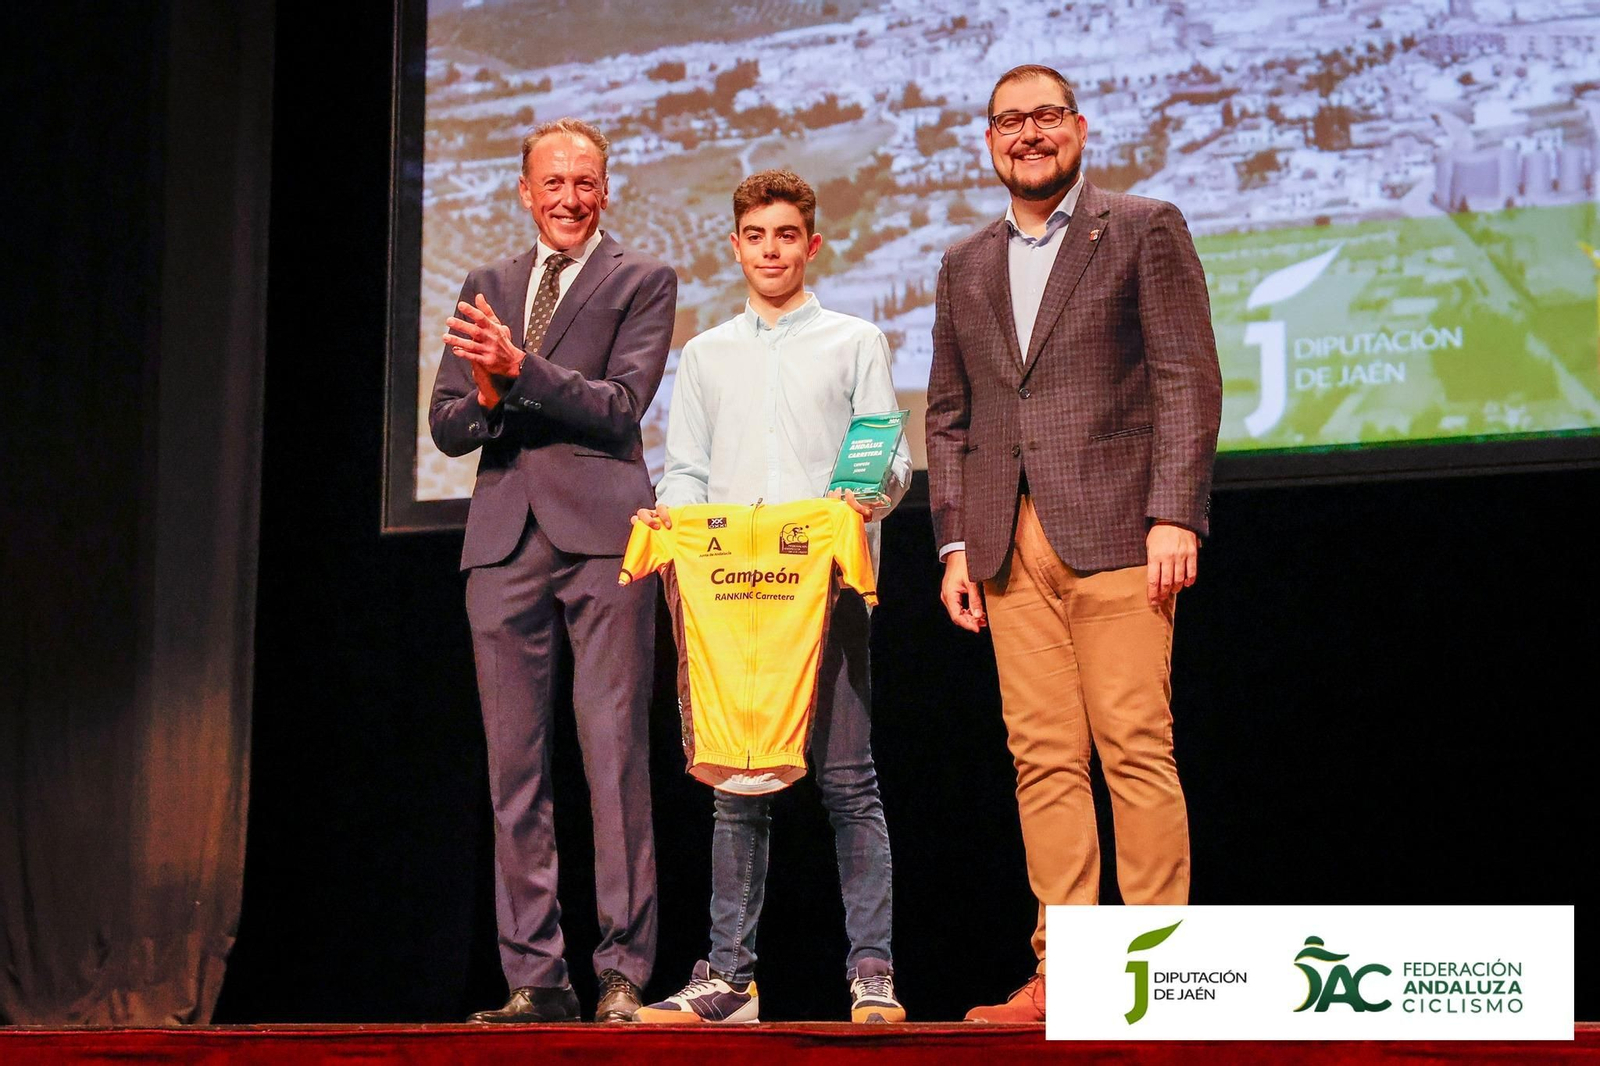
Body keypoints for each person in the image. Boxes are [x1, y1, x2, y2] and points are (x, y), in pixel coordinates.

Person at [924, 65, 1222, 1022]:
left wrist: (1177, 510)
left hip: (1123, 532)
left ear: (1079, 128)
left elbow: (1186, 377)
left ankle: (1158, 972)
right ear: (988, 142)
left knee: (1135, 746)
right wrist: (956, 544)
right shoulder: (964, 262)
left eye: (1045, 116)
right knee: (1042, 758)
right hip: (1008, 548)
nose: (1029, 134)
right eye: (1010, 122)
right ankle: (1066, 974)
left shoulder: (1142, 227)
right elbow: (950, 415)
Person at [629, 169, 911, 1024]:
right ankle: (728, 979)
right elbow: (685, 471)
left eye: (787, 235)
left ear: (812, 244)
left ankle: (871, 974)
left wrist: (870, 499)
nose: (772, 251)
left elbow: (888, 458)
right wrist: (670, 519)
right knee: (735, 790)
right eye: (757, 237)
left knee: (849, 783)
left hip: (829, 590)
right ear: (736, 247)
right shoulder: (706, 353)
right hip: (737, 600)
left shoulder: (857, 340)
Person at [431, 118, 677, 1024]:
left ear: (604, 190)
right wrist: (489, 394)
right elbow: (448, 425)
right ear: (524, 191)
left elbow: (621, 408)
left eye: (586, 182)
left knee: (614, 761)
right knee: (515, 770)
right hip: (501, 546)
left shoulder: (642, 279)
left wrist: (518, 368)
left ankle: (621, 971)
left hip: (605, 541)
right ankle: (535, 978)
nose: (570, 197)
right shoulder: (486, 285)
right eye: (554, 182)